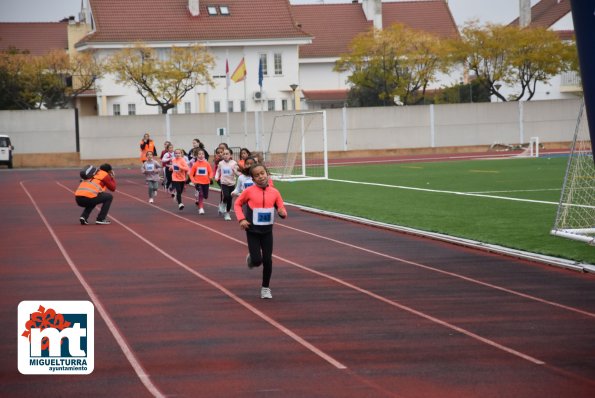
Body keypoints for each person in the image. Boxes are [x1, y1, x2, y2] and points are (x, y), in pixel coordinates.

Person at [234, 164, 287, 299]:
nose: (260, 177)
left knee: (268, 260)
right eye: (257, 175)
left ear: (267, 173)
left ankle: (265, 288)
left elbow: (281, 208)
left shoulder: (275, 192)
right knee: (258, 261)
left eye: (262, 173)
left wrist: (282, 213)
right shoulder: (249, 191)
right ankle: (252, 257)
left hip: (267, 231)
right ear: (253, 179)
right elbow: (237, 204)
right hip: (252, 230)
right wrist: (241, 219)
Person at [214, 148, 239, 221]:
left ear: (230, 155)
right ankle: (223, 204)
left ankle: (227, 213)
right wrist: (216, 176)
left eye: (227, 154)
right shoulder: (221, 163)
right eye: (224, 154)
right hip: (224, 183)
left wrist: (238, 173)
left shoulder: (234, 163)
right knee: (226, 195)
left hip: (232, 183)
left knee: (230, 199)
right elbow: (218, 171)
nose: (225, 155)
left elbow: (237, 173)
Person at [189, 148, 213, 214]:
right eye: (199, 154)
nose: (201, 155)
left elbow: (210, 172)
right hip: (198, 182)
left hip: (206, 182)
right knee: (201, 194)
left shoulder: (207, 164)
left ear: (204, 155)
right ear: (197, 156)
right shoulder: (195, 164)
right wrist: (194, 181)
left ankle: (202, 201)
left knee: (206, 196)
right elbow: (191, 175)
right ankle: (201, 208)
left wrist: (210, 177)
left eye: (202, 154)